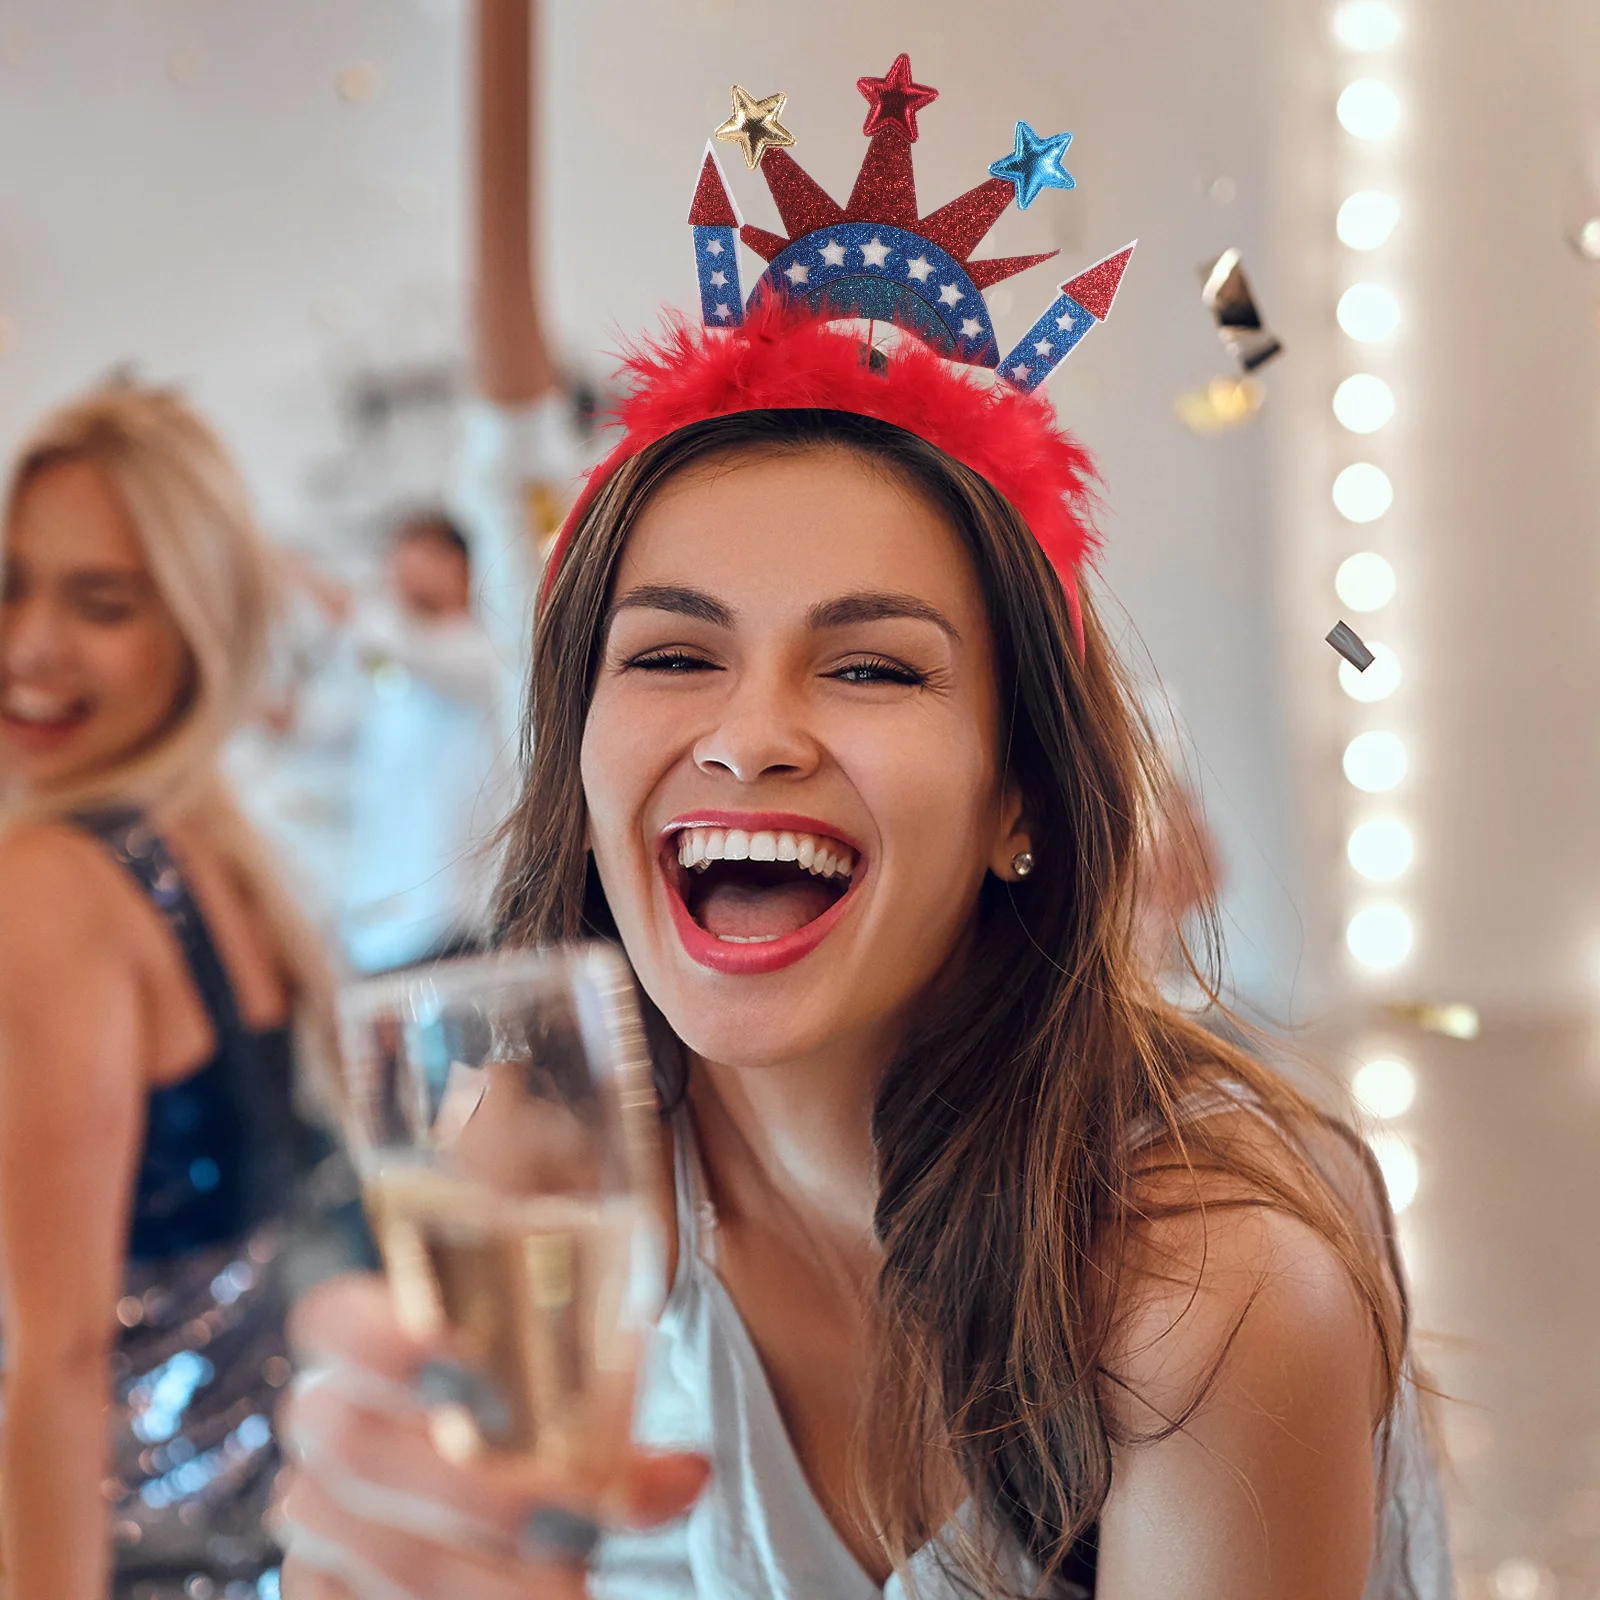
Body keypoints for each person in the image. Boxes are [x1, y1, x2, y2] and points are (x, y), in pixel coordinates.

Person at [275, 55, 1451, 1600]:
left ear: (1017, 795)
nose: (750, 734)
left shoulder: (1209, 1295)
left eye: (873, 665)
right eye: (674, 655)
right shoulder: (534, 1176)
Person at [0, 383, 334, 1598]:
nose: (29, 642)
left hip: (115, 1556)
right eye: (12, 583)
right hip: (248, 1544)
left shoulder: (54, 880)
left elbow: (57, 1359)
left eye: (100, 601)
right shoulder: (207, 855)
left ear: (197, 629)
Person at [287, 512, 512, 972]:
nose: (400, 568)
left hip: (453, 923)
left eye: (420, 552)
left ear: (459, 568)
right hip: (380, 934)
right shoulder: (397, 675)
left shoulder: (482, 655)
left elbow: (384, 640)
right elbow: (313, 724)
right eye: (398, 554)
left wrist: (302, 575)